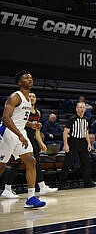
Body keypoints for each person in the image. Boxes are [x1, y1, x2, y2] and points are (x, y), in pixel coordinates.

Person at [0, 71, 46, 208]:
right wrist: (19, 135)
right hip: (8, 132)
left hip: (20, 132)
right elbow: (6, 118)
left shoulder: (28, 99)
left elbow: (19, 119)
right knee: (1, 166)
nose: (29, 79)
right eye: (26, 78)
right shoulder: (15, 97)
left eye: (31, 77)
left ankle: (31, 198)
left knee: (31, 161)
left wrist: (31, 124)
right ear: (20, 82)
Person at [59, 101, 95, 188]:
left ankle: (88, 182)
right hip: (73, 141)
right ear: (76, 109)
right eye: (80, 107)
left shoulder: (87, 120)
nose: (82, 109)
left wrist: (88, 143)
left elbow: (86, 132)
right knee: (68, 163)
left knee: (86, 163)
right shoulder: (72, 119)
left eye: (83, 107)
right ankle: (62, 183)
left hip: (83, 142)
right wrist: (66, 144)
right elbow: (65, 132)